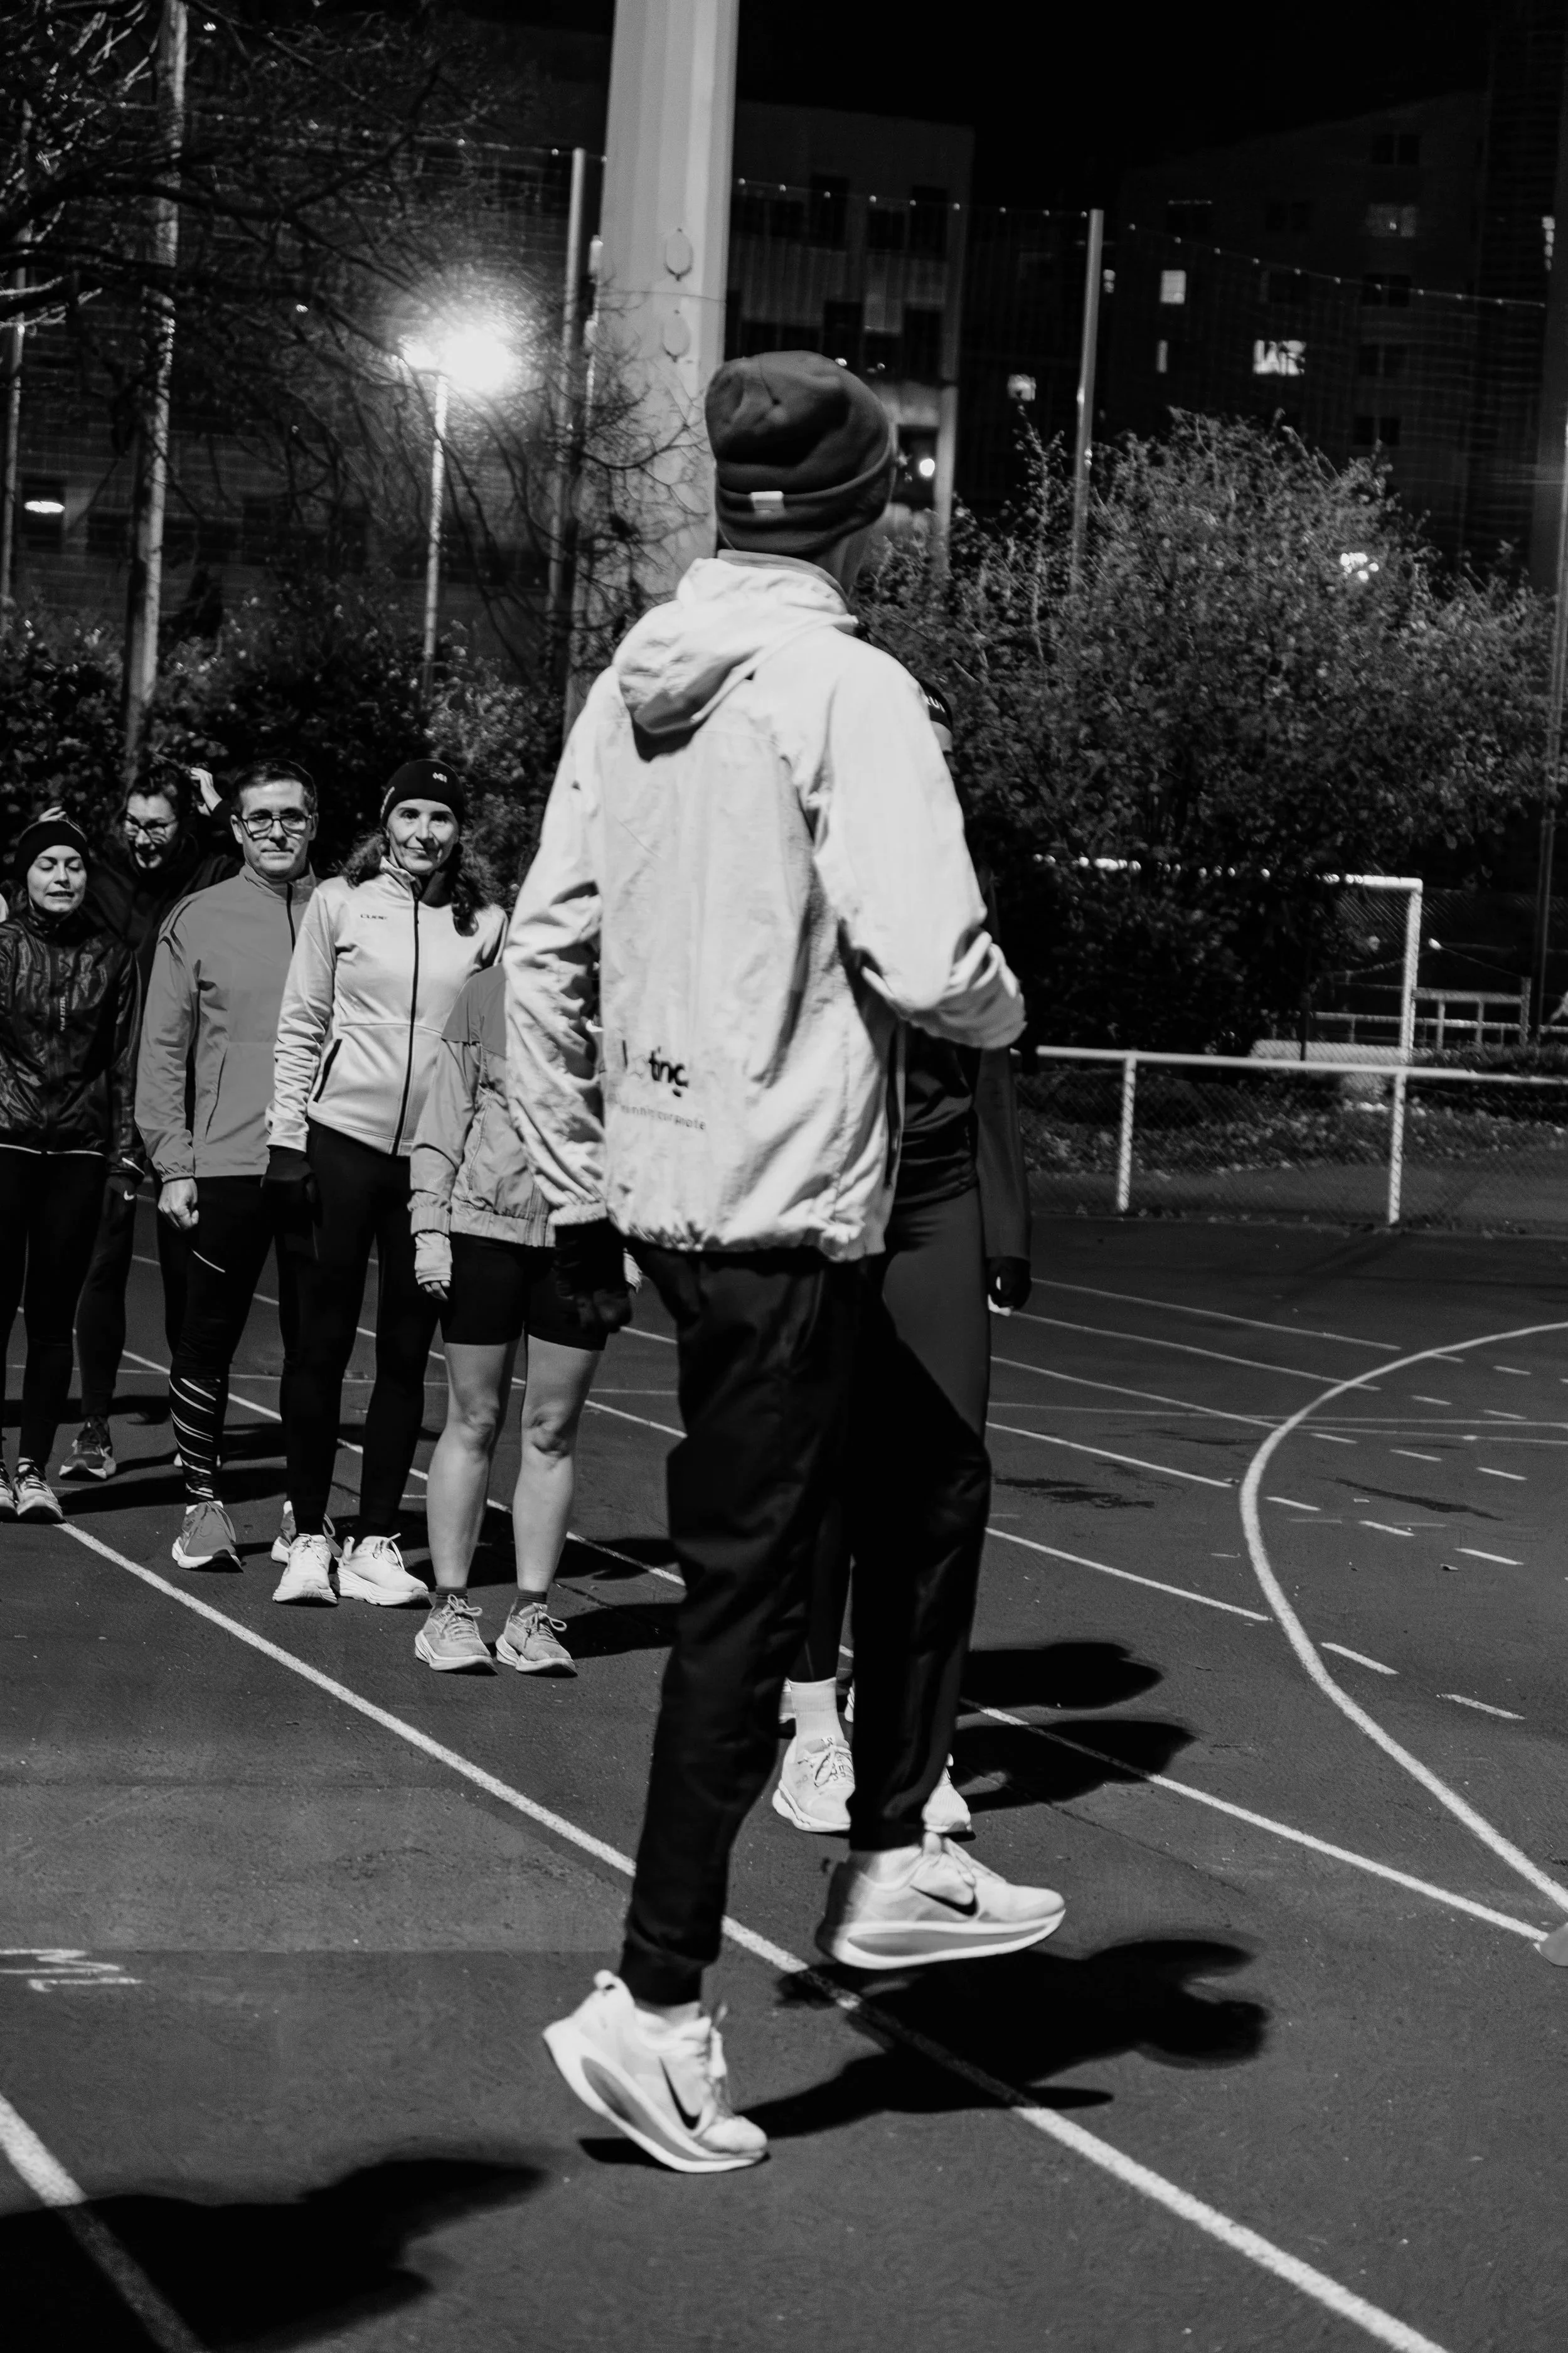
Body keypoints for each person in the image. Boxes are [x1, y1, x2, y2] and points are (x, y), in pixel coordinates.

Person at [506, 349, 1065, 2176]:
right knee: (743, 1611)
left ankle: (897, 1844)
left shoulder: (631, 685)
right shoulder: (849, 686)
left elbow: (538, 952)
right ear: (869, 507)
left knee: (930, 1475)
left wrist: (577, 1178)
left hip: (678, 1199)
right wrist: (1000, 1006)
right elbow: (926, 957)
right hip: (794, 1203)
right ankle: (654, 2000)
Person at [774, 681, 1035, 1838]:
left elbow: (988, 1067)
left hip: (932, 1199)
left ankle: (907, 1738)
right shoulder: (785, 871)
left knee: (937, 1484)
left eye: (937, 751)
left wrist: (1004, 1223)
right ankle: (813, 1731)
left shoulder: (958, 887)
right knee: (823, 1475)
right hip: (815, 1196)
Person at [264, 757, 507, 1607]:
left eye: (440, 817)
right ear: (385, 817)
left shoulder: (485, 925)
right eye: (409, 813)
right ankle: (304, 1532)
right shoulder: (339, 900)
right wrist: (286, 1141)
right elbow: (300, 1023)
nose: (423, 832)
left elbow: (486, 1053)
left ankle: (374, 1536)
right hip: (339, 1141)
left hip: (430, 1164)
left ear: (457, 830)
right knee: (321, 1343)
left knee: (406, 1350)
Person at [135, 758, 322, 1570]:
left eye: (292, 815)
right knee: (204, 1342)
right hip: (223, 1166)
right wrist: (173, 1163)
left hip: (324, 1167)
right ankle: (203, 1507)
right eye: (260, 818)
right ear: (237, 828)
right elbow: (161, 1053)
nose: (277, 830)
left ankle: (304, 1515)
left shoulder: (348, 916)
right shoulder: (198, 917)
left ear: (314, 822)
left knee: (315, 1347)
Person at [407, 962, 607, 1673]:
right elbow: (443, 1117)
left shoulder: (642, 996)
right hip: (483, 1233)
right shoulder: (488, 992)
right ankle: (449, 1611)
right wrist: (430, 1225)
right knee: (476, 1418)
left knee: (552, 1431)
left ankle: (529, 1617)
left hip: (582, 1241)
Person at [60, 761, 236, 1483]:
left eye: (158, 826)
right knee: (99, 1269)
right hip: (105, 1104)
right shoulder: (100, 881)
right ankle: (94, 1430)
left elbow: (277, 867)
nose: (143, 839)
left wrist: (222, 807)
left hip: (186, 1102)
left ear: (184, 824)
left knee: (184, 1278)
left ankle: (195, 1431)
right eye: (133, 825)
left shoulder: (214, 874)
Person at [0, 811, 140, 1522]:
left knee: (54, 1319)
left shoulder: (113, 957)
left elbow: (122, 1063)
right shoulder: (2, 947)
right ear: (24, 875)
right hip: (6, 1144)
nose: (62, 877)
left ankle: (31, 1470)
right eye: (48, 864)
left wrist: (122, 1161)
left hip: (80, 1155)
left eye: (75, 865)